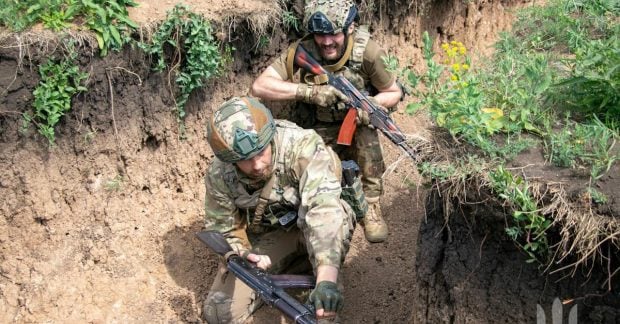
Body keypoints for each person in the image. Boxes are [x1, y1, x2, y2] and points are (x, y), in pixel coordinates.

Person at [251, 0, 402, 243]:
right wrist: (309, 92)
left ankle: (371, 205)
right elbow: (260, 86)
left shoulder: (368, 52)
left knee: (368, 128)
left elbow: (394, 92)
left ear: (350, 28)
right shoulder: (304, 50)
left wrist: (372, 104)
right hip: (315, 129)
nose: (327, 41)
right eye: (320, 35)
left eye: (333, 33)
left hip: (355, 130)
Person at [202, 96, 356, 323]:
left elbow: (324, 211)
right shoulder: (220, 174)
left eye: (261, 152)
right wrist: (243, 254)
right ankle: (299, 262)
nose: (256, 165)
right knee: (220, 311)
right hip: (275, 236)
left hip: (322, 228)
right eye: (245, 160)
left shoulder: (302, 147)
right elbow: (223, 228)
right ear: (230, 160)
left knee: (321, 313)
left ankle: (321, 268)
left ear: (271, 137)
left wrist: (326, 282)